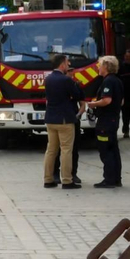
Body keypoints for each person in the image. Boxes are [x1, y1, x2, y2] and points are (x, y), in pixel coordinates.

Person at [42, 54, 83, 189]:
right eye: (67, 63)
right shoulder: (66, 80)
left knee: (51, 150)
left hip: (50, 118)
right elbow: (77, 95)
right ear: (62, 64)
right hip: (64, 119)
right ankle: (67, 180)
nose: (68, 65)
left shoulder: (48, 79)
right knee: (66, 150)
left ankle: (48, 179)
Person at [86, 56, 124, 188]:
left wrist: (93, 104)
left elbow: (107, 100)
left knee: (105, 150)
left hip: (106, 121)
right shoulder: (117, 81)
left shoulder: (108, 82)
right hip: (113, 119)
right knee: (114, 149)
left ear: (106, 67)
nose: (98, 67)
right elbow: (121, 101)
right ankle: (116, 178)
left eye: (100, 65)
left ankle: (109, 179)